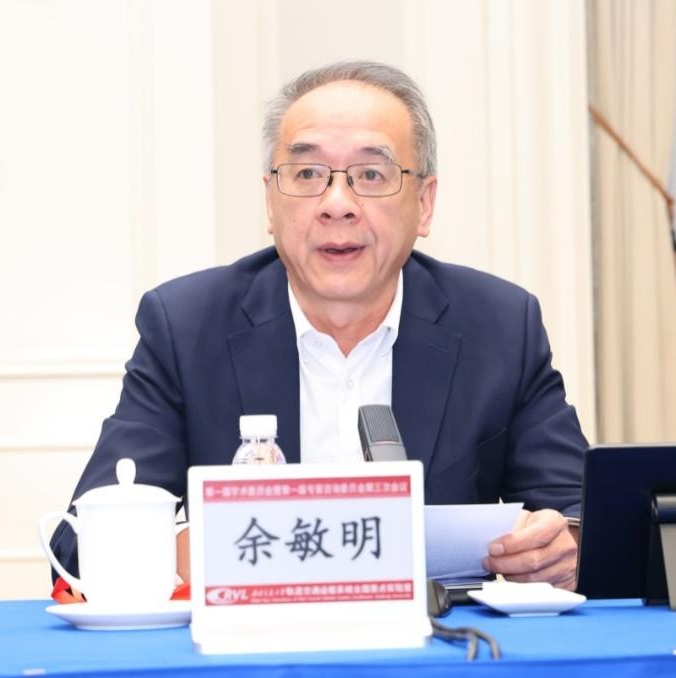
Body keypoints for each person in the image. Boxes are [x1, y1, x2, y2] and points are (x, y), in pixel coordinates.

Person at [51, 60, 587, 591]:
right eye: (307, 174)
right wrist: (202, 549)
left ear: (424, 205)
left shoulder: (498, 326)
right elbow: (77, 546)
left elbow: (580, 515)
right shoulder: (186, 327)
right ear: (270, 200)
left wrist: (563, 545)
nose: (337, 205)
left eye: (371, 175)